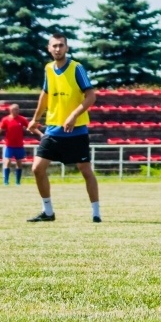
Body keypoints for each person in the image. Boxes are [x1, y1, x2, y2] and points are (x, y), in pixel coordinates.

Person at [26, 33, 101, 223]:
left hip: (77, 130)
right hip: (53, 129)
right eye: (54, 46)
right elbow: (45, 95)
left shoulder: (77, 68)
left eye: (61, 45)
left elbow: (91, 97)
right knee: (37, 169)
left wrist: (73, 116)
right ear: (48, 49)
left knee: (85, 170)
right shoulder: (49, 69)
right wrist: (35, 119)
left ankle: (96, 213)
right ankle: (48, 212)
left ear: (67, 48)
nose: (57, 49)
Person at [0, 103, 43, 186]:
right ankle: (6, 181)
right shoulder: (6, 119)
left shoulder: (21, 119)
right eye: (15, 109)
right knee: (8, 162)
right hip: (9, 145)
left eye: (18, 109)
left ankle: (17, 182)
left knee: (19, 163)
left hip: (19, 145)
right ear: (11, 110)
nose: (17, 111)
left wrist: (40, 134)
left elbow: (31, 127)